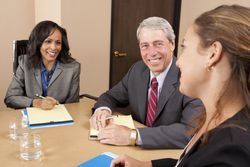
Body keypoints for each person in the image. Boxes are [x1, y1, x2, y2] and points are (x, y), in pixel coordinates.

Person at [111, 4, 250, 167]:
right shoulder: (218, 119)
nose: (179, 62)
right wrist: (146, 165)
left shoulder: (232, 154)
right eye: (145, 45)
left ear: (213, 54)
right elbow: (190, 163)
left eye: (185, 47)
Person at [90, 17, 202, 149]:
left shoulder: (190, 77)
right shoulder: (137, 70)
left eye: (158, 44)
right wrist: (102, 110)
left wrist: (134, 136)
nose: (152, 53)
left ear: (172, 44)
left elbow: (190, 131)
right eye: (145, 46)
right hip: (134, 152)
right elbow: (110, 96)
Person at [5, 20, 80, 110]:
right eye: (48, 41)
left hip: (60, 118)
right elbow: (10, 98)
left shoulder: (73, 68)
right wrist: (36, 102)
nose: (53, 47)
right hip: (31, 118)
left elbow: (73, 105)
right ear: (37, 43)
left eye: (58, 42)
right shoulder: (24, 63)